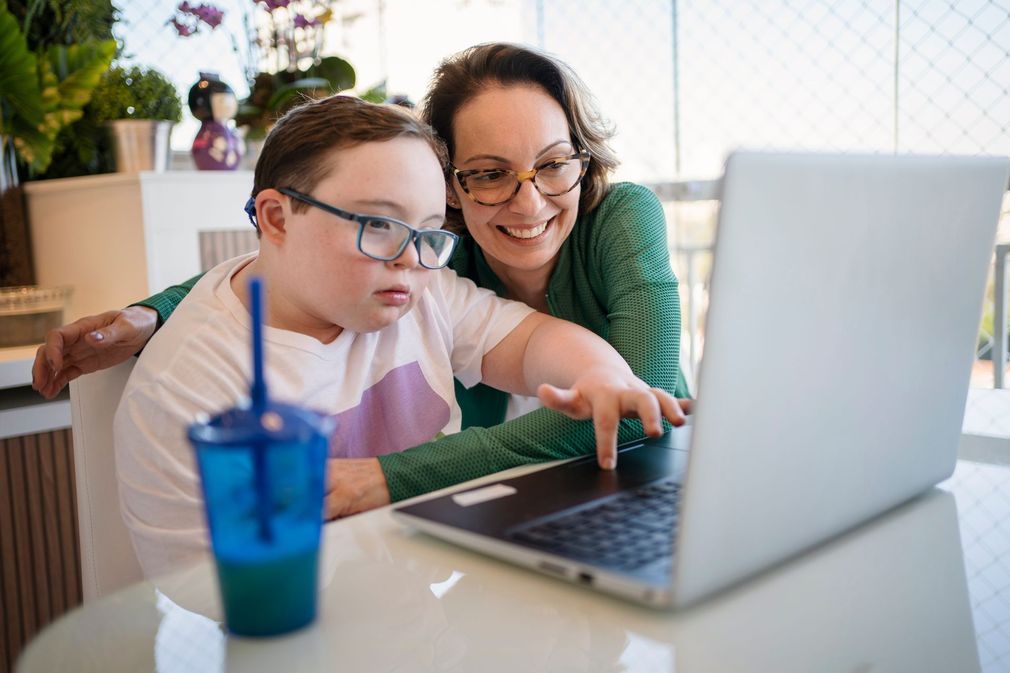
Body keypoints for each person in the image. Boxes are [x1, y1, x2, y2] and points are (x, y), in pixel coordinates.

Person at [33, 43, 689, 511]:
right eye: (489, 172)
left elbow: (639, 405)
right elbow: (289, 261)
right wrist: (157, 311)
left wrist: (394, 476)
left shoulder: (616, 219)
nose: (529, 201)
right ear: (451, 189)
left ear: (582, 157)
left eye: (552, 163)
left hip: (629, 486)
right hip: (509, 508)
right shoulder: (435, 254)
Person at [116, 94, 683, 576]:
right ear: (277, 219)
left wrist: (601, 375)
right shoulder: (189, 387)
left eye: (430, 232)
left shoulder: (423, 294)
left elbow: (535, 343)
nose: (413, 258)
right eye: (379, 226)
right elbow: (210, 601)